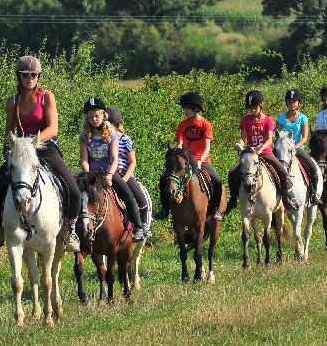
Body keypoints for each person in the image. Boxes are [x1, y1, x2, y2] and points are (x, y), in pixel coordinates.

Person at [0, 55, 81, 251]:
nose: (30, 78)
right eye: (25, 75)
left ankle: (69, 230)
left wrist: (32, 141)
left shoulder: (47, 96)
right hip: (21, 151)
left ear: (38, 76)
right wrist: (8, 149)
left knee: (73, 188)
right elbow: (9, 133)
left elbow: (53, 129)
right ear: (19, 77)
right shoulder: (12, 102)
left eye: (34, 75)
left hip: (45, 147)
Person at [80, 98, 146, 242]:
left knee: (128, 196)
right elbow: (84, 159)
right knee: (76, 193)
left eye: (97, 116)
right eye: (90, 117)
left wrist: (110, 175)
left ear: (104, 115)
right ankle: (73, 230)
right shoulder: (85, 136)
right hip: (92, 173)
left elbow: (114, 159)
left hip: (108, 172)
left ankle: (139, 226)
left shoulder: (112, 135)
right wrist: (88, 174)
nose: (94, 119)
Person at [225, 90, 299, 213]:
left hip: (266, 153)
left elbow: (270, 140)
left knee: (282, 172)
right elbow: (243, 138)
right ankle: (233, 200)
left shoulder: (268, 120)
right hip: (250, 154)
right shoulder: (246, 120)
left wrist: (260, 149)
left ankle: (286, 199)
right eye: (250, 108)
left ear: (261, 105)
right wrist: (241, 146)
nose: (252, 111)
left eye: (254, 108)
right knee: (233, 171)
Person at [155, 92, 223, 221]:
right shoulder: (183, 124)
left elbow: (207, 146)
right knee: (164, 179)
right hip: (184, 161)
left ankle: (215, 210)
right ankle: (165, 210)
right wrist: (177, 158)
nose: (184, 111)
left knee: (217, 181)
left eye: (186, 108)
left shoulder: (206, 125)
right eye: (184, 108)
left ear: (195, 108)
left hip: (201, 160)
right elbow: (180, 143)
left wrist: (200, 160)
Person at [107, 107, 151, 238]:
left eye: (108, 124)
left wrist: (125, 178)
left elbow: (133, 162)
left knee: (141, 200)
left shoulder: (126, 140)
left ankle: (143, 226)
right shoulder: (105, 139)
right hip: (110, 173)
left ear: (115, 125)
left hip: (125, 174)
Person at [276, 89, 323, 206]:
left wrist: (295, 147)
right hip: (283, 150)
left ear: (298, 103)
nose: (292, 104)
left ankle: (313, 194)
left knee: (312, 167)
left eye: (294, 101)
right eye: (289, 101)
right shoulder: (281, 119)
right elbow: (277, 136)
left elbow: (305, 138)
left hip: (297, 149)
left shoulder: (303, 118)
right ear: (286, 103)